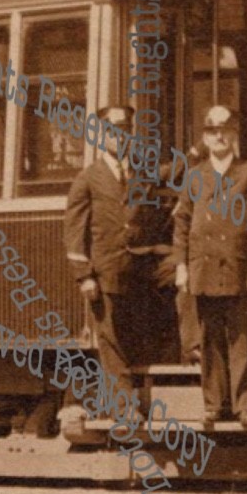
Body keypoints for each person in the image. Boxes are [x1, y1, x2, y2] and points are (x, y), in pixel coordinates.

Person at [173, 105, 247, 430]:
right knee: (209, 340)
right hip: (203, 269)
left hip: (237, 269)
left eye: (224, 130)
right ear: (205, 138)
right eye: (212, 131)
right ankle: (213, 406)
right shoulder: (195, 176)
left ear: (233, 134)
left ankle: (245, 407)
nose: (219, 136)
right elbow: (181, 223)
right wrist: (181, 265)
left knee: (242, 339)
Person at [63, 107, 148, 399]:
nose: (120, 136)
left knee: (133, 336)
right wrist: (85, 276)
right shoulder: (87, 179)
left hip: (136, 269)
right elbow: (74, 233)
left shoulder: (139, 172)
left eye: (126, 130)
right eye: (113, 131)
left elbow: (173, 172)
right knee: (111, 340)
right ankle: (123, 407)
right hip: (105, 270)